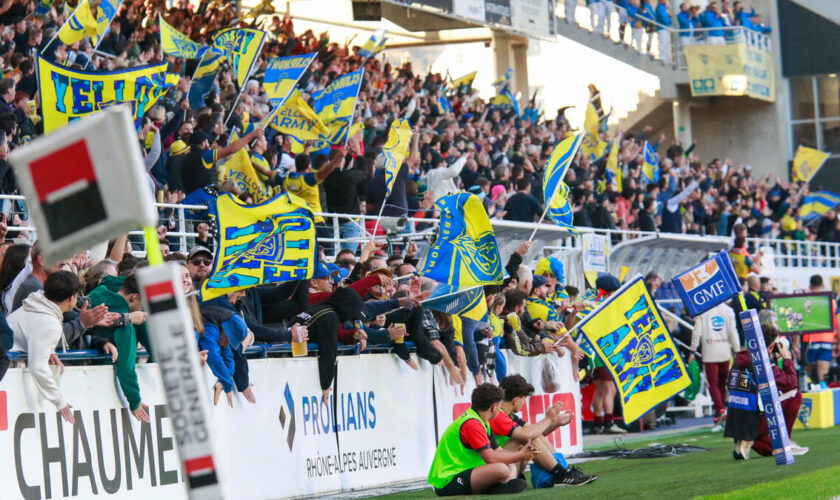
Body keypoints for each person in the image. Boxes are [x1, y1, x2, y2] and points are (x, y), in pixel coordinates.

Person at [490, 375, 597, 487]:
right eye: (524, 399)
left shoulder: (506, 415)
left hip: (502, 464)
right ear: (516, 400)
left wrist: (555, 423)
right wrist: (548, 419)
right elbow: (528, 435)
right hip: (495, 469)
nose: (524, 403)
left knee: (530, 436)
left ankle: (564, 473)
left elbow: (537, 434)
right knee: (527, 438)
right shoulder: (498, 416)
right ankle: (562, 474)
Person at [427, 383, 533, 496]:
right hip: (447, 480)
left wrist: (519, 455)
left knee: (509, 464)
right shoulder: (472, 423)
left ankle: (499, 487)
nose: (500, 409)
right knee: (501, 468)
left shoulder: (483, 422)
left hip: (464, 472)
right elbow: (491, 458)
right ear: (494, 407)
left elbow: (498, 451)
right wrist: (521, 455)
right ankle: (498, 487)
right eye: (500, 405)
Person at [724, 323, 807, 458]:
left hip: (735, 420)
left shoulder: (739, 359)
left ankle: (745, 442)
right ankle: (782, 441)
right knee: (795, 395)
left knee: (771, 448)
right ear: (770, 345)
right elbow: (791, 384)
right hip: (753, 421)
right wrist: (787, 360)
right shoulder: (761, 363)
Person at [8, 271, 81, 424]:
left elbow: (29, 332)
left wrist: (48, 351)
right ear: (71, 298)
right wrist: (59, 401)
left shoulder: (37, 303)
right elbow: (38, 367)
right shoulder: (50, 324)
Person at [87, 274, 151, 423]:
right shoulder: (125, 324)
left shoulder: (96, 294)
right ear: (134, 297)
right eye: (143, 304)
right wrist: (134, 401)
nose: (143, 309)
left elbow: (112, 280)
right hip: (97, 388)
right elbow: (126, 367)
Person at [688, 302, 739, 431]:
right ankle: (720, 412)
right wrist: (737, 350)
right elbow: (733, 332)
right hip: (725, 351)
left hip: (710, 351)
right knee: (721, 383)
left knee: (713, 383)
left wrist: (693, 350)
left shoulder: (702, 311)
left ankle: (720, 410)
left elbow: (696, 332)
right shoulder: (728, 310)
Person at [802, 274, 838, 388]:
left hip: (810, 340)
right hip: (827, 340)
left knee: (807, 371)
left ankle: (807, 386)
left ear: (810, 286)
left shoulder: (806, 301)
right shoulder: (832, 302)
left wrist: (797, 343)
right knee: (823, 375)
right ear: (823, 285)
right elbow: (838, 322)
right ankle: (822, 387)